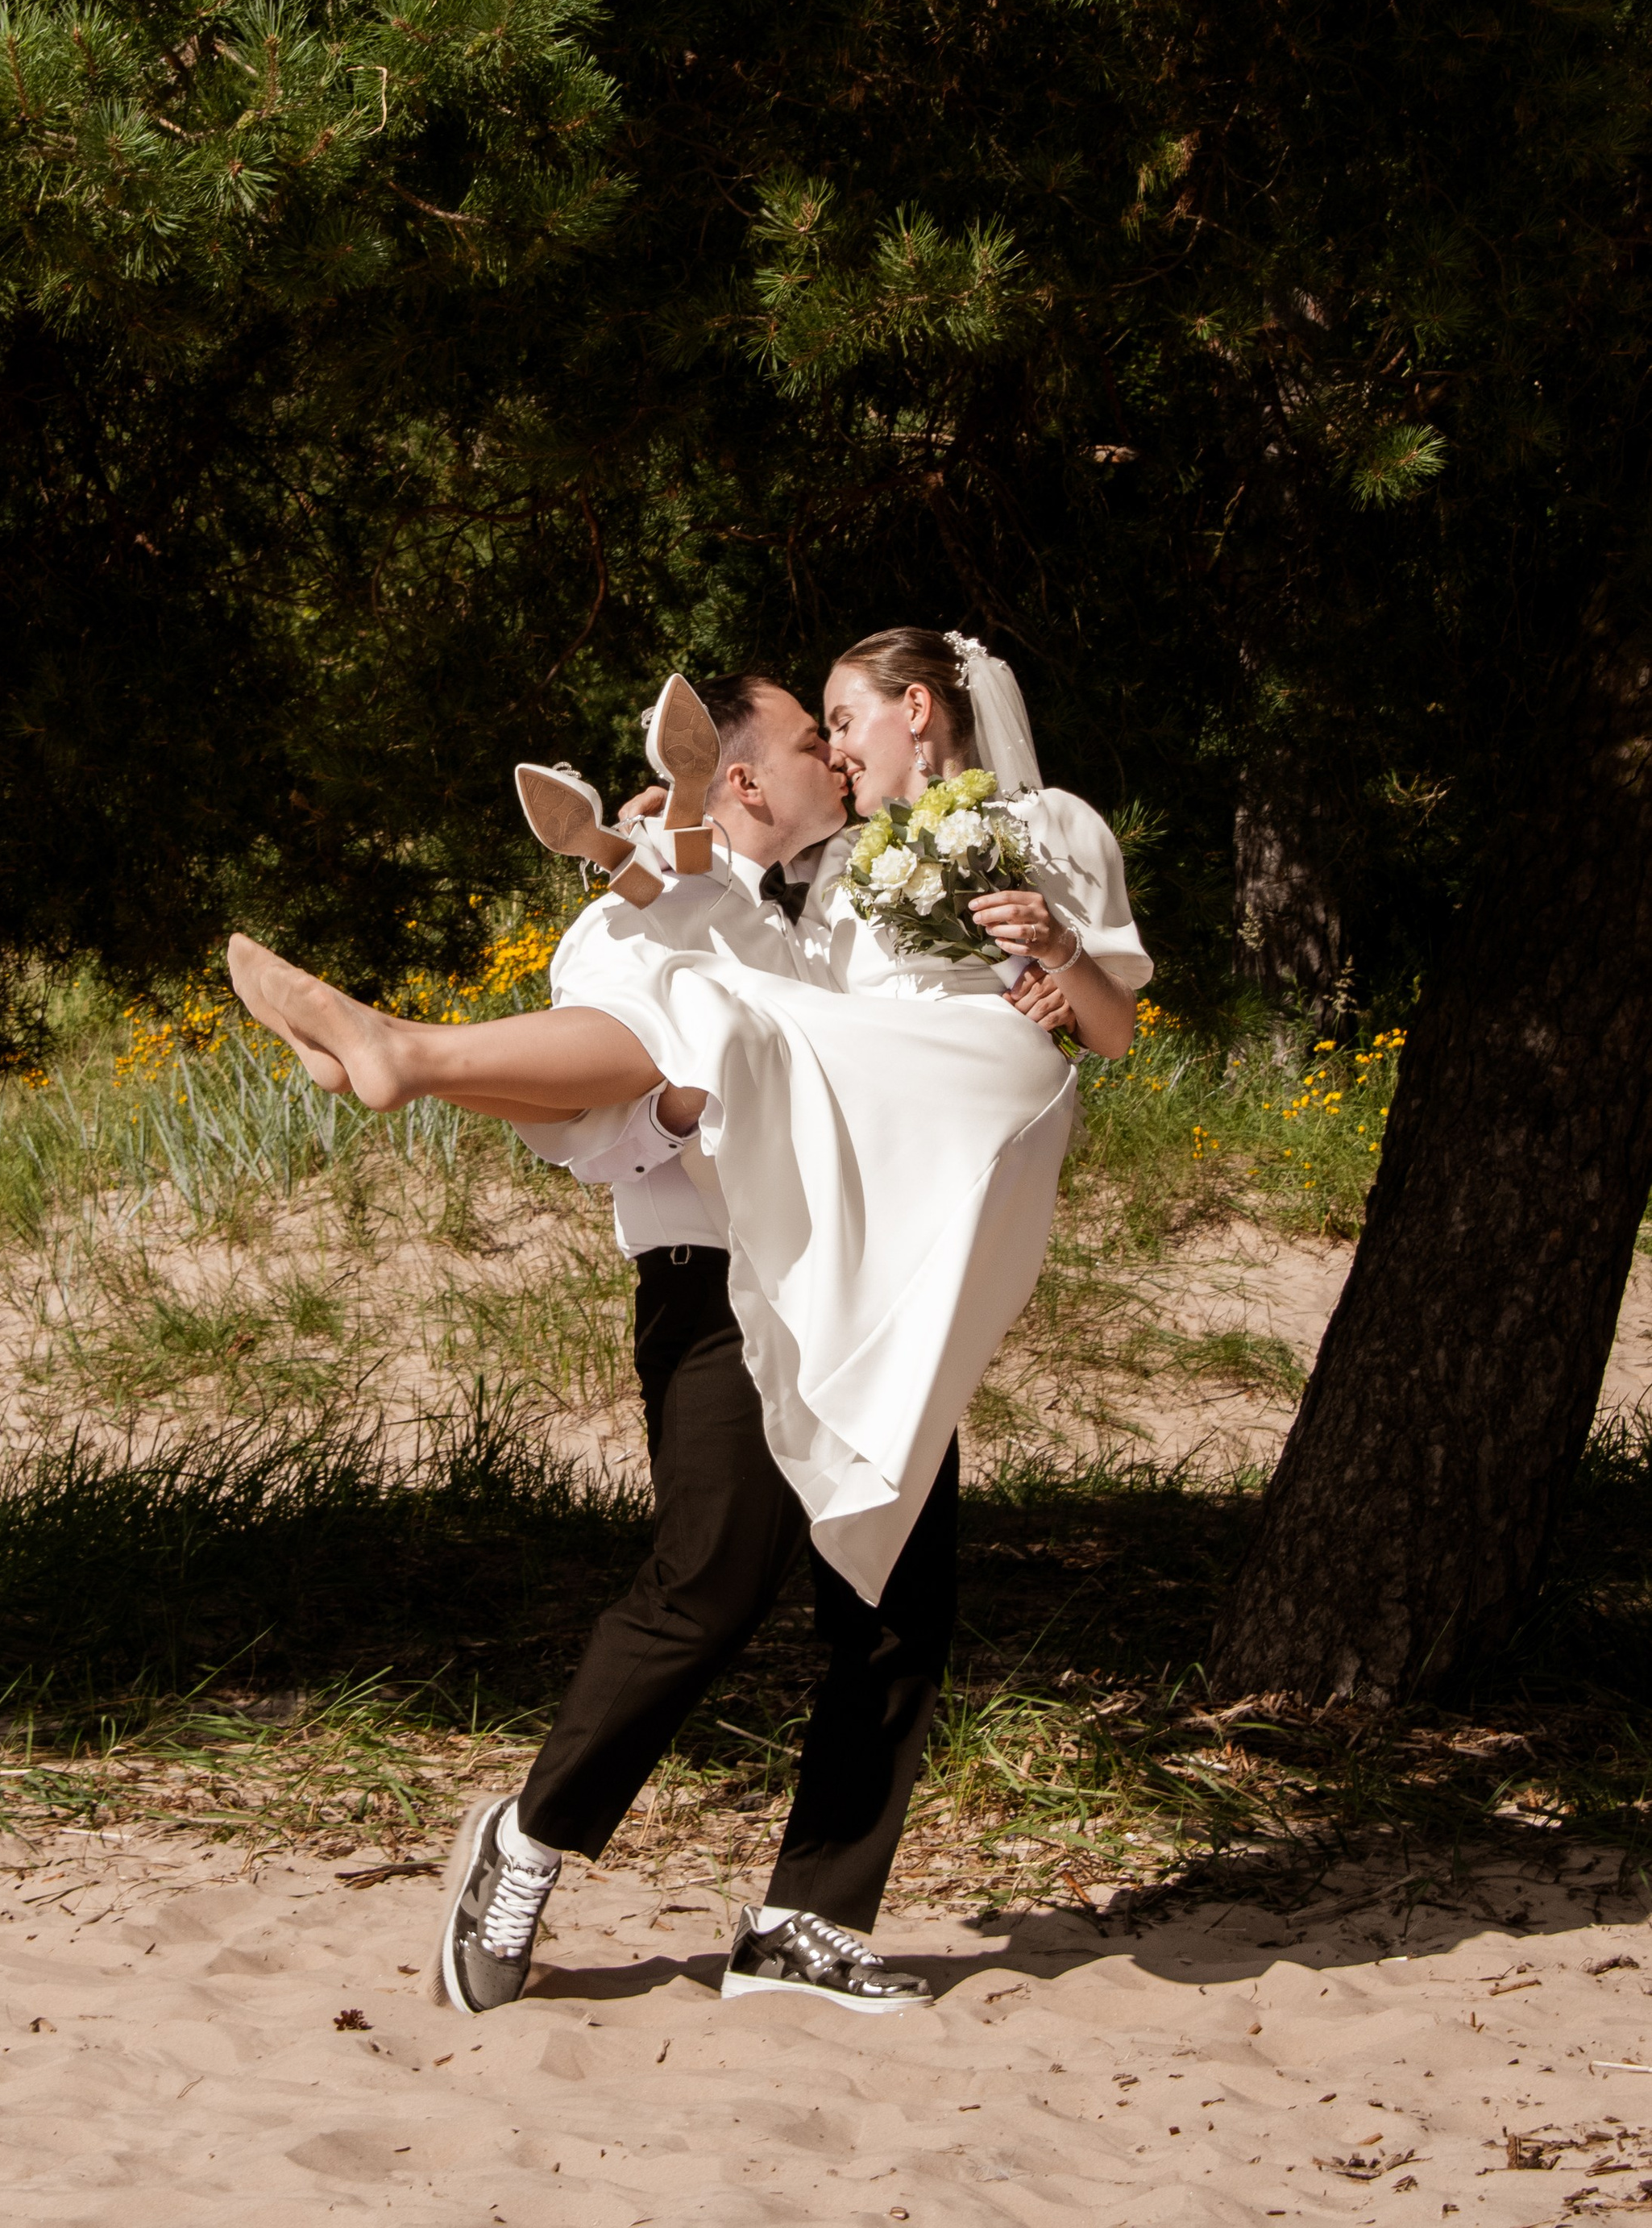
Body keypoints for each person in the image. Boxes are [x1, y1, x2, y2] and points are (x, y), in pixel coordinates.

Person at [226, 630, 1148, 2022]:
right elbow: (600, 1134)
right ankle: (527, 1841)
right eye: (807, 734)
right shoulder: (658, 922)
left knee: (896, 1602)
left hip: (881, 1252)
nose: (830, 757)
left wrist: (1047, 973)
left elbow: (1087, 1023)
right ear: (731, 768)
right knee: (713, 1577)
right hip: (720, 1277)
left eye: (839, 726)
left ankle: (804, 1923)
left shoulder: (830, 899)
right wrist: (667, 1049)